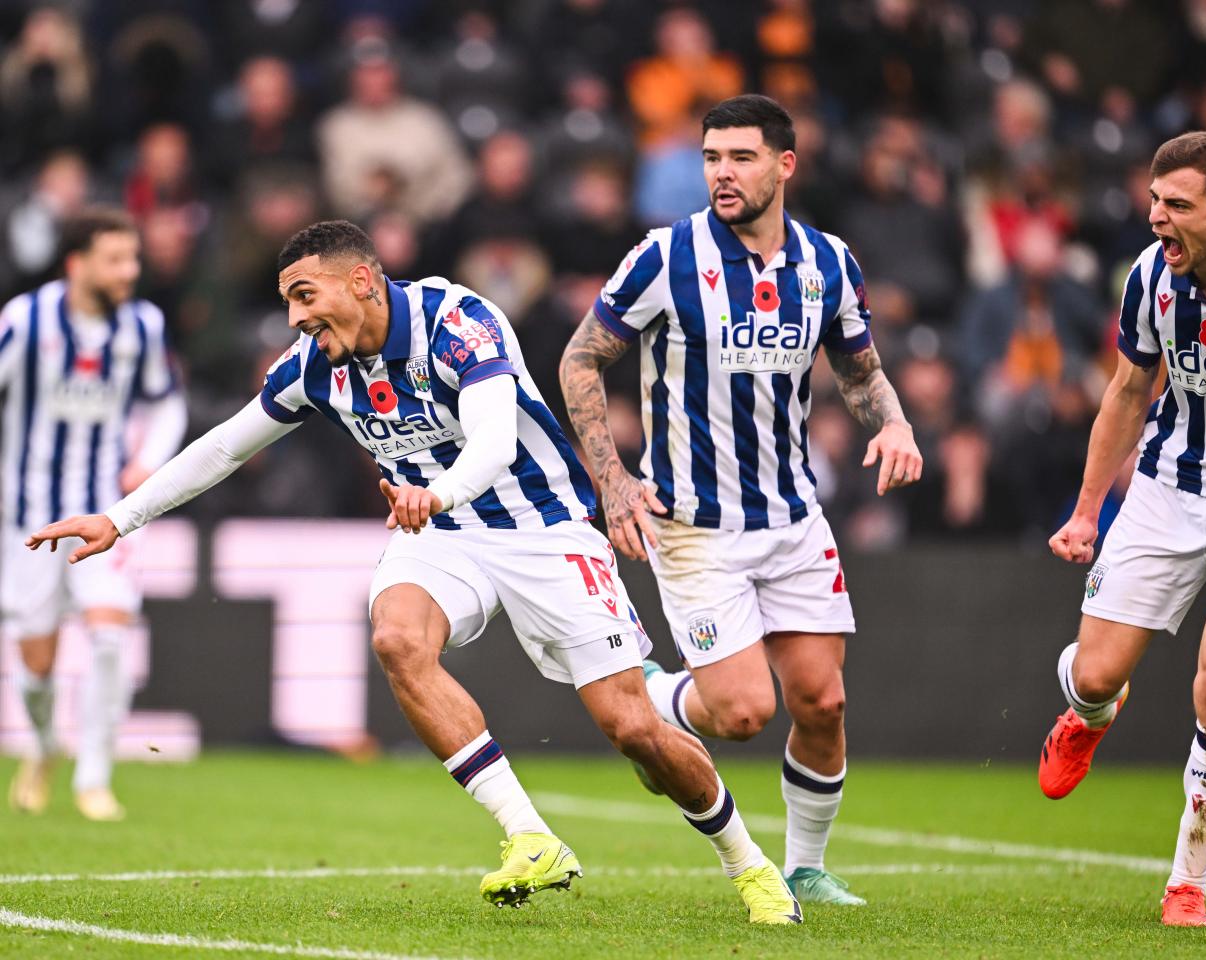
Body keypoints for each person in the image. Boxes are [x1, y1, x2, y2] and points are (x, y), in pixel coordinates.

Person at [28, 220, 802, 924]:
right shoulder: (314, 366)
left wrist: (438, 491)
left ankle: (749, 863)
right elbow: (227, 445)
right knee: (397, 639)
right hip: (439, 531)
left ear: (361, 280)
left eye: (305, 296)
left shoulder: (456, 321)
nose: (295, 318)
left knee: (634, 728)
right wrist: (120, 517)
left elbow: (497, 439)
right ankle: (530, 835)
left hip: (543, 527)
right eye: (287, 302)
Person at [559, 94, 923, 906]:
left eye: (741, 157)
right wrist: (612, 479)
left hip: (793, 518)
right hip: (696, 527)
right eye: (711, 157)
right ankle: (655, 700)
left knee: (822, 701)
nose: (722, 173)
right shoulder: (664, 256)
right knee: (743, 712)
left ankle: (806, 868)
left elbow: (859, 371)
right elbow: (580, 361)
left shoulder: (828, 262)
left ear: (784, 165)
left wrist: (895, 424)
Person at [1040, 131, 1206, 928]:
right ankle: (1090, 716)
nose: (1156, 219)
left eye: (1176, 206)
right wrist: (1085, 510)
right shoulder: (1150, 277)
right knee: (1096, 675)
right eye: (1153, 201)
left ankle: (1187, 883)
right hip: (1165, 490)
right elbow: (1128, 391)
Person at [5, 207, 187, 821]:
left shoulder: (143, 326)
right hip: (24, 521)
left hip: (103, 514)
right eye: (115, 259)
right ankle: (42, 745)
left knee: (110, 636)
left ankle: (94, 777)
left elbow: (167, 405)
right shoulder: (24, 321)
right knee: (36, 666)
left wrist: (148, 460)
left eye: (133, 258)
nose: (129, 271)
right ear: (76, 263)